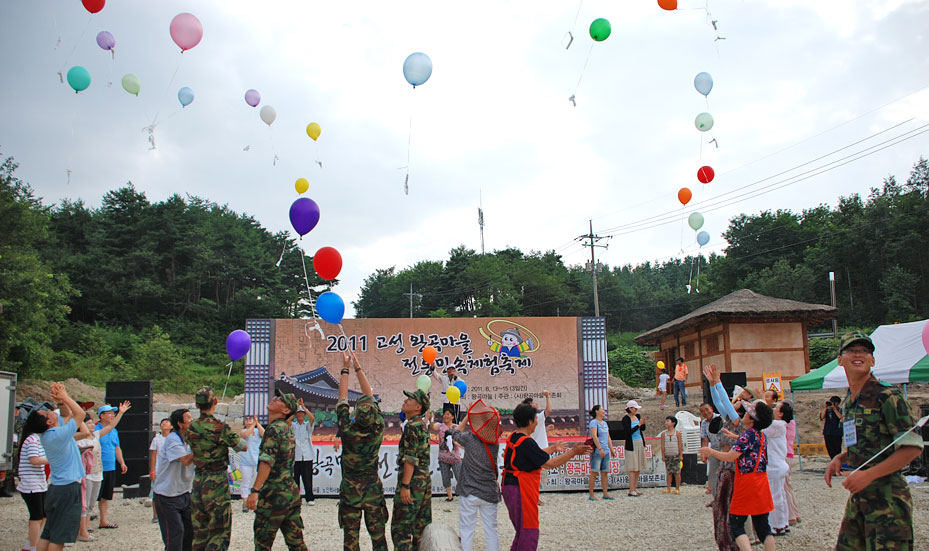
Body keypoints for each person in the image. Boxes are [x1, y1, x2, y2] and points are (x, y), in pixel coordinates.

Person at [825, 331, 924, 551]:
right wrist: (842, 457)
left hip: (888, 503)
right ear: (840, 360)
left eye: (864, 351)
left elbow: (912, 448)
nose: (858, 355)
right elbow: (868, 443)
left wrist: (868, 475)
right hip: (859, 501)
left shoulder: (888, 397)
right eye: (851, 350)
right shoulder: (849, 402)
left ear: (872, 360)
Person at [502, 401, 590, 551]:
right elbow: (549, 464)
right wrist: (573, 452)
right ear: (530, 421)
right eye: (536, 419)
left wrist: (553, 448)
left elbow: (535, 456)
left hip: (510, 487)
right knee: (529, 531)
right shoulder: (527, 442)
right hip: (520, 489)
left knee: (521, 531)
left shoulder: (514, 437)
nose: (537, 422)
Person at [700, 394, 776, 551]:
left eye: (748, 413)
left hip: (747, 482)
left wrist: (710, 451)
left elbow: (730, 456)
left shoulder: (746, 436)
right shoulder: (760, 435)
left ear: (752, 420)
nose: (744, 414)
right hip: (761, 482)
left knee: (736, 524)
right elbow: (748, 442)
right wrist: (734, 436)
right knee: (763, 528)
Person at [27, 382, 90, 551]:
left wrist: (61, 400)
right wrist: (66, 397)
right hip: (67, 488)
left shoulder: (50, 434)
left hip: (56, 487)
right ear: (48, 421)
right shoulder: (58, 434)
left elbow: (65, 413)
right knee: (59, 537)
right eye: (48, 412)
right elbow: (80, 414)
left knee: (48, 533)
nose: (51, 411)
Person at [336, 352, 388, 551]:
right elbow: (370, 396)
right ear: (374, 414)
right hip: (372, 490)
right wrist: (357, 368)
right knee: (378, 538)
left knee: (350, 540)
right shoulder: (377, 430)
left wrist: (345, 368)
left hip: (350, 491)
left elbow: (342, 397)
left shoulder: (347, 431)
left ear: (355, 414)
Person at [245, 389, 307, 551]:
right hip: (290, 493)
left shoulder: (274, 430)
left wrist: (255, 490)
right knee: (296, 543)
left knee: (262, 544)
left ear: (286, 410)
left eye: (280, 399)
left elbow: (267, 462)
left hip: (273, 495)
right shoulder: (285, 429)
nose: (274, 399)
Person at [187, 386, 247, 551]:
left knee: (200, 531)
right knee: (219, 532)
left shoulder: (191, 427)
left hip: (198, 481)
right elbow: (242, 447)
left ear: (197, 405)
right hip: (217, 482)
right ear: (215, 402)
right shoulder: (221, 428)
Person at [446, 400, 503, 551]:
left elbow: (455, 432)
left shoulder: (469, 438)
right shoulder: (495, 443)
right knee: (491, 530)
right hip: (489, 491)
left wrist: (467, 416)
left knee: (466, 530)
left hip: (469, 490)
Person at [704, 363, 746, 551]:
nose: (735, 405)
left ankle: (736, 539)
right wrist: (712, 385)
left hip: (735, 469)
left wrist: (718, 383)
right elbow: (720, 404)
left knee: (732, 507)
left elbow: (726, 405)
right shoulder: (733, 421)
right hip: (728, 468)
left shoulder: (741, 425)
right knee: (726, 507)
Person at [76, 404, 127, 542]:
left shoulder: (97, 434)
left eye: (92, 423)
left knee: (93, 502)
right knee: (85, 503)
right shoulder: (78, 439)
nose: (91, 425)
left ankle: (87, 528)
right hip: (86, 474)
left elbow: (112, 427)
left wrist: (120, 413)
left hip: (99, 472)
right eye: (88, 423)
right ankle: (82, 530)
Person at [391, 388, 433, 551]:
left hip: (413, 482)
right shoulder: (421, 425)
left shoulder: (411, 427)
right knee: (420, 529)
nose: (406, 401)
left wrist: (405, 486)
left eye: (410, 399)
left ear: (418, 407)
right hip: (423, 481)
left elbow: (410, 458)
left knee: (401, 529)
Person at [153, 409, 195, 551]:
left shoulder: (190, 438)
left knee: (190, 532)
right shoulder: (173, 439)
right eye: (188, 418)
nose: (192, 420)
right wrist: (204, 448)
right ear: (180, 423)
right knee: (175, 534)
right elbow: (185, 460)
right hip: (167, 496)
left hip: (184, 493)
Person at [17, 404, 49, 551]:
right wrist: (52, 459)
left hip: (39, 483)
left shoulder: (37, 439)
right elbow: (34, 460)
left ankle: (30, 544)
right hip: (31, 485)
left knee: (43, 515)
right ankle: (33, 547)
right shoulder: (32, 440)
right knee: (36, 517)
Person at [95, 403, 127, 530]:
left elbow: (116, 447)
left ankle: (103, 520)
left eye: (113, 413)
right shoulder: (95, 430)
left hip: (110, 466)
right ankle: (85, 524)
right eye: (109, 413)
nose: (112, 415)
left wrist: (122, 462)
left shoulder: (114, 431)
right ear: (101, 416)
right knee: (93, 496)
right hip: (97, 467)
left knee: (106, 496)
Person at [764, 403, 790, 536]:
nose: (773, 409)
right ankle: (783, 522)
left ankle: (776, 525)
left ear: (781, 414)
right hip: (778, 465)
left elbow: (761, 429)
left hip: (774, 466)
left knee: (775, 496)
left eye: (776, 408)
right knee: (780, 495)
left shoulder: (776, 425)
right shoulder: (779, 425)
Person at [524, 391, 551, 504]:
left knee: (534, 475)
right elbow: (548, 410)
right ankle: (535, 498)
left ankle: (534, 496)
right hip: (540, 449)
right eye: (533, 403)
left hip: (535, 449)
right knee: (536, 476)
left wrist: (547, 430)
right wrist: (547, 396)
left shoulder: (530, 419)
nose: (536, 404)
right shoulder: (537, 417)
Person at [431, 409, 463, 501]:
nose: (445, 416)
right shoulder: (440, 426)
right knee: (445, 477)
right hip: (443, 457)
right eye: (444, 414)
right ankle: (450, 496)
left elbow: (461, 440)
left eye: (448, 414)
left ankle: (462, 495)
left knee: (459, 477)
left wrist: (453, 441)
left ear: (452, 417)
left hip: (455, 457)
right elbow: (433, 427)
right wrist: (432, 418)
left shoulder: (457, 428)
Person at [780, 402, 801, 526]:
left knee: (785, 485)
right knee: (788, 485)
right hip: (789, 454)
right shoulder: (791, 423)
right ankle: (795, 513)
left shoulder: (784, 424)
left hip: (785, 455)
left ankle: (791, 515)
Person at [586, 404, 614, 500]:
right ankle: (591, 494)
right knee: (594, 472)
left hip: (606, 451)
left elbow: (608, 437)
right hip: (597, 451)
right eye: (601, 409)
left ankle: (605, 493)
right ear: (597, 411)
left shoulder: (605, 423)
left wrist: (611, 449)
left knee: (605, 472)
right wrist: (600, 449)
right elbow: (594, 436)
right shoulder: (594, 423)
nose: (603, 411)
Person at [237, 416, 264, 513]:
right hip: (246, 462)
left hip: (257, 461)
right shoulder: (242, 431)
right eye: (247, 420)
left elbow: (264, 434)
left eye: (251, 419)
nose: (249, 421)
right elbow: (246, 435)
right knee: (245, 482)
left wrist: (257, 424)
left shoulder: (257, 432)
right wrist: (253, 425)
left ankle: (255, 502)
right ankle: (245, 502)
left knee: (257, 483)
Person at [621, 400, 647, 496]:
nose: (636, 410)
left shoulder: (638, 417)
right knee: (632, 467)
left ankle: (635, 488)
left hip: (639, 442)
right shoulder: (625, 419)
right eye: (635, 408)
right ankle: (631, 489)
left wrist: (642, 423)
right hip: (631, 444)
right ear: (630, 408)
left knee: (638, 467)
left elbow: (642, 429)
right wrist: (639, 425)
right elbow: (628, 432)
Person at [291, 405, 316, 506]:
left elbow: (312, 418)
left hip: (307, 456)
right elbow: (287, 422)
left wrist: (305, 408)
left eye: (302, 413)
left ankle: (309, 498)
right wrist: (295, 408)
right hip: (295, 456)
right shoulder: (293, 425)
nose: (300, 415)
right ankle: (295, 498)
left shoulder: (307, 425)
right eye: (298, 413)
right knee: (295, 479)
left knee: (307, 478)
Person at [150, 418, 171, 523]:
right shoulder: (156, 439)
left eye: (167, 422)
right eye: (163, 422)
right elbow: (153, 456)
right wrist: (152, 471)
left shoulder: (174, 439)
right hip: (159, 469)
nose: (164, 424)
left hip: (170, 470)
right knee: (156, 493)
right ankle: (155, 515)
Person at [699, 402, 718, 501]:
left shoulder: (720, 418)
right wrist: (704, 453)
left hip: (725, 449)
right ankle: (716, 498)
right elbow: (705, 438)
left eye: (707, 409)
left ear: (711, 408)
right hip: (713, 449)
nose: (705, 412)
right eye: (702, 411)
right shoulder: (704, 423)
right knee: (712, 474)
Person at [660, 415, 683, 494]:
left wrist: (681, 455)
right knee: (669, 472)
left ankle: (677, 488)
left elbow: (680, 444)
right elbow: (662, 445)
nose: (666, 423)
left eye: (668, 421)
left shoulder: (677, 433)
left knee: (677, 472)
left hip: (676, 454)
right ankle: (668, 488)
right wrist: (663, 455)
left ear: (673, 423)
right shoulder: (663, 434)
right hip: (668, 455)